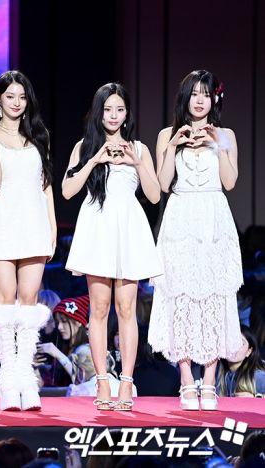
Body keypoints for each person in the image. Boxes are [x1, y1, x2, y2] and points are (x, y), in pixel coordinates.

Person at [148, 70, 244, 411]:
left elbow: (230, 182)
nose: (200, 100)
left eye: (206, 93)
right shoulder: (167, 134)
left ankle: (210, 380)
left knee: (215, 296)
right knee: (181, 296)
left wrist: (218, 145)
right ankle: (186, 379)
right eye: (194, 93)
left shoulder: (227, 135)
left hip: (214, 219)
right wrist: (174, 145)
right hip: (180, 217)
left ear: (214, 98)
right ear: (185, 97)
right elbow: (162, 185)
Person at [61, 83, 161, 411]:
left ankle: (126, 382)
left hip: (128, 228)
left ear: (127, 113)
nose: (114, 115)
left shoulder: (139, 148)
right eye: (108, 109)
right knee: (99, 309)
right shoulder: (84, 146)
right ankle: (103, 381)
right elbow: (67, 191)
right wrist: (94, 159)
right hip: (98, 227)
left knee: (126, 308)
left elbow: (154, 195)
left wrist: (137, 162)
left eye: (119, 109)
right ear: (98, 112)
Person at [0, 71, 56, 411]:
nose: (17, 102)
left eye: (22, 97)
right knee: (6, 302)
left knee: (29, 302)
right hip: (3, 221)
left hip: (34, 222)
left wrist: (52, 229)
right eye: (10, 96)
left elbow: (46, 185)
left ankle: (26, 378)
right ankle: (8, 381)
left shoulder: (39, 135)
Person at [217, 328, 265, 397]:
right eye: (230, 341)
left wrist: (256, 397)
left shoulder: (257, 376)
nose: (234, 347)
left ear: (249, 351)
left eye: (240, 343)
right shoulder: (218, 373)